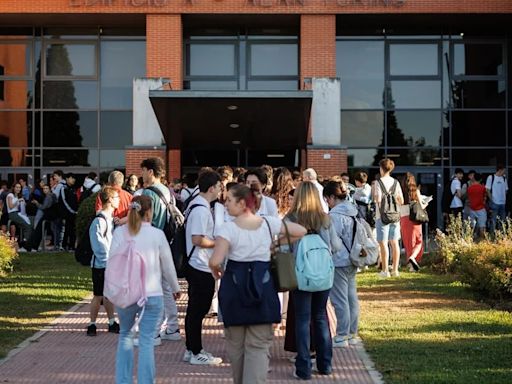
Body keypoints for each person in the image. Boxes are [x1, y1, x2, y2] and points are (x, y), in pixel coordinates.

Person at [209, 184, 307, 384]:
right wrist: (276, 244)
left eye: (229, 200)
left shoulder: (227, 229)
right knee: (259, 346)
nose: (225, 204)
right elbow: (301, 230)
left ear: (242, 203)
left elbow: (215, 260)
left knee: (236, 347)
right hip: (263, 288)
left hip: (235, 290)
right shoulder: (269, 223)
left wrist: (216, 270)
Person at [112, 195, 181, 384]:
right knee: (146, 342)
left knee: (125, 335)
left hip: (126, 293)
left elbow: (113, 263)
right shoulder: (157, 235)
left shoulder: (119, 233)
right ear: (149, 212)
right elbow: (167, 265)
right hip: (152, 293)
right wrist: (175, 287)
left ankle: (123, 380)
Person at [285, 181, 341, 380]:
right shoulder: (324, 219)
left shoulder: (290, 218)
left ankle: (303, 368)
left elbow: (283, 250)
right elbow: (335, 246)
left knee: (302, 319)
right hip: (323, 275)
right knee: (320, 317)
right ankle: (325, 364)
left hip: (300, 275)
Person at [141, 157, 183, 345]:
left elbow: (145, 221)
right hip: (166, 242)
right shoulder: (168, 191)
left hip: (152, 244)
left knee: (154, 289)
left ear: (150, 172)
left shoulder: (148, 194)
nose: (141, 174)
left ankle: (154, 332)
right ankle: (172, 328)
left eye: (143, 170)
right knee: (165, 288)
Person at [183, 170, 224, 365]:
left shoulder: (196, 205)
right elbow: (198, 239)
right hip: (199, 265)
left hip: (198, 264)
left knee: (194, 310)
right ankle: (196, 351)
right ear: (211, 188)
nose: (220, 190)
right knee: (198, 311)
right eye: (219, 186)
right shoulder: (200, 209)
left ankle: (191, 349)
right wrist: (218, 243)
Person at [323, 180, 361, 348]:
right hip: (353, 258)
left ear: (332, 197)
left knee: (340, 300)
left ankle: (341, 335)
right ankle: (352, 333)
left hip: (338, 261)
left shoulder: (334, 216)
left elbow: (331, 241)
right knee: (351, 297)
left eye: (327, 199)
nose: (326, 203)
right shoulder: (354, 212)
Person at [87, 186, 120, 337]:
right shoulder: (99, 221)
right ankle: (92, 324)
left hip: (109, 263)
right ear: (110, 200)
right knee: (98, 295)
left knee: (109, 295)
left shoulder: (111, 220)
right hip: (101, 265)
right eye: (117, 197)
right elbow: (98, 245)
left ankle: (111, 321)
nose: (119, 200)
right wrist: (108, 261)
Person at [373, 158, 404, 278]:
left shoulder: (378, 182)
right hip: (395, 216)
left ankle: (385, 271)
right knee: (395, 242)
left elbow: (377, 198)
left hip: (382, 216)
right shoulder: (396, 182)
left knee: (383, 243)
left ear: (381, 168)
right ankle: (395, 270)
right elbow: (401, 200)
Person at [399, 173, 428, 272]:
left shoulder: (400, 192)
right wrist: (426, 202)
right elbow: (422, 205)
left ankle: (411, 265)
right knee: (418, 241)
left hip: (403, 218)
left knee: (408, 243)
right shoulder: (416, 192)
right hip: (414, 218)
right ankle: (413, 258)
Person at [6, 182, 32, 251]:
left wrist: (23, 203)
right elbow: (11, 206)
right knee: (27, 226)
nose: (18, 189)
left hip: (19, 213)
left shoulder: (18, 196)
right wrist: (18, 200)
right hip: (12, 214)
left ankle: (24, 243)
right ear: (13, 188)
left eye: (19, 187)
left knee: (29, 225)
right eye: (17, 187)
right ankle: (23, 244)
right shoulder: (10, 195)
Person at [486, 164, 508, 233]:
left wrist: (503, 198)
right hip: (494, 202)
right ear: (500, 170)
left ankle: (501, 236)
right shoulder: (491, 177)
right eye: (503, 171)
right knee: (493, 220)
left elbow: (506, 190)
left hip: (502, 203)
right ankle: (492, 235)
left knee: (502, 220)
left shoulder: (504, 178)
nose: (504, 172)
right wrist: (492, 200)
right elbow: (487, 190)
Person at [468, 173, 487, 239]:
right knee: (482, 226)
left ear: (474, 178)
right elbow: (485, 197)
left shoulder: (470, 188)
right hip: (481, 208)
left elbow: (469, 198)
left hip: (472, 208)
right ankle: (482, 242)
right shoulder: (483, 188)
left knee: (471, 226)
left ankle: (471, 241)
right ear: (481, 179)